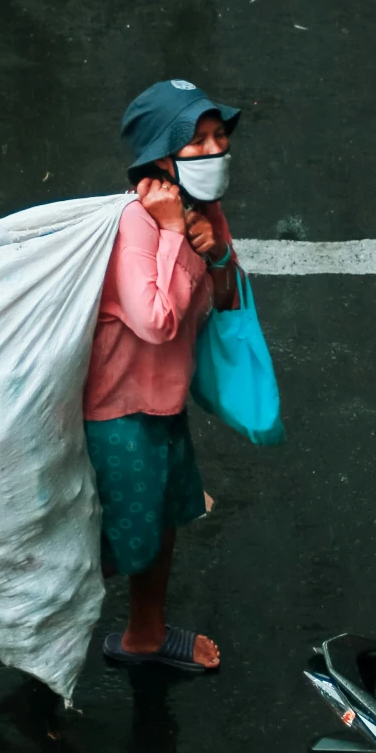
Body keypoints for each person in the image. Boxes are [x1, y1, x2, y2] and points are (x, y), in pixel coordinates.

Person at [83, 78, 241, 679]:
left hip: (162, 406)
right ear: (157, 155)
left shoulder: (203, 211)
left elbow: (224, 300)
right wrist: (175, 235)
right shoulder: (137, 222)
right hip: (120, 415)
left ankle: (145, 634)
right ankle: (39, 645)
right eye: (195, 141)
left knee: (162, 520)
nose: (213, 149)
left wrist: (215, 249)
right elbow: (155, 321)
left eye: (217, 136)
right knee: (119, 541)